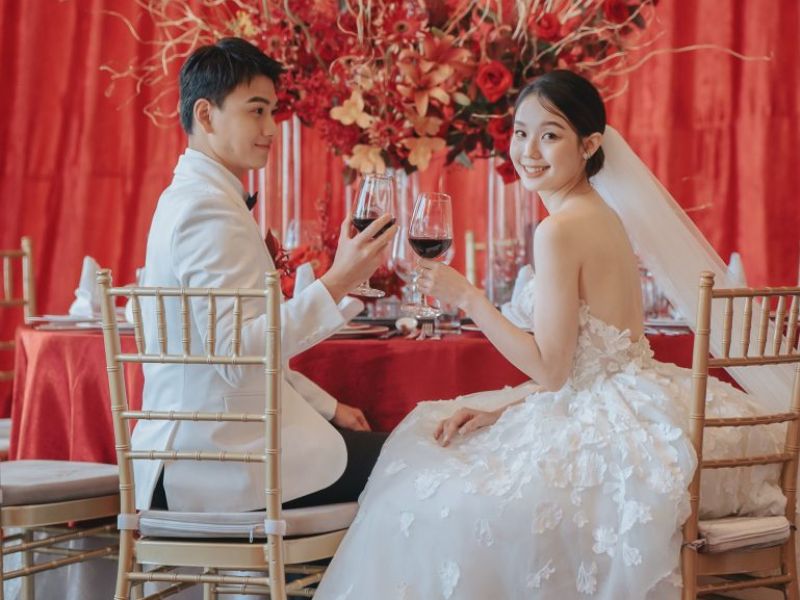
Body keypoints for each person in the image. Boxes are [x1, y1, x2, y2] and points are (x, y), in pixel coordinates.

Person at [314, 70, 787, 599]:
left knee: (425, 482)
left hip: (607, 417)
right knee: (442, 444)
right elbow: (592, 363)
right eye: (521, 133)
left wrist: (468, 297)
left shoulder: (558, 230)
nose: (529, 151)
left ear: (589, 145)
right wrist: (504, 406)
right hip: (639, 398)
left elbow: (554, 369)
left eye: (550, 135)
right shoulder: (603, 214)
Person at [134, 37, 397, 513]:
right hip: (217, 467)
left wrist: (328, 408)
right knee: (415, 460)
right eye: (256, 111)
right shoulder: (206, 211)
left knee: (405, 452)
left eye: (272, 112)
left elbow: (240, 352)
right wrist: (338, 279)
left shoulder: (196, 196)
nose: (271, 128)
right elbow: (239, 355)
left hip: (208, 456)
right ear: (206, 115)